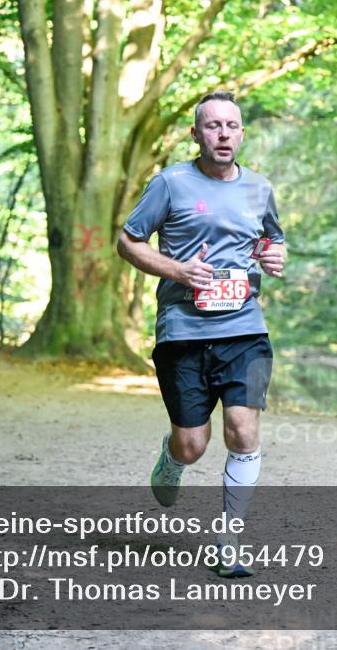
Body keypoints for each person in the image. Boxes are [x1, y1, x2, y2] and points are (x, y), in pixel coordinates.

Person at [117, 92, 287, 578]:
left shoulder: (259, 187)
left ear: (242, 133)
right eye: (212, 126)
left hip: (245, 329)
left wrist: (275, 256)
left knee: (243, 431)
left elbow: (270, 238)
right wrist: (177, 270)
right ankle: (172, 460)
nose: (223, 134)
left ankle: (228, 541)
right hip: (184, 331)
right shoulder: (170, 183)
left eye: (231, 125)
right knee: (193, 443)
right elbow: (127, 241)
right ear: (196, 134)